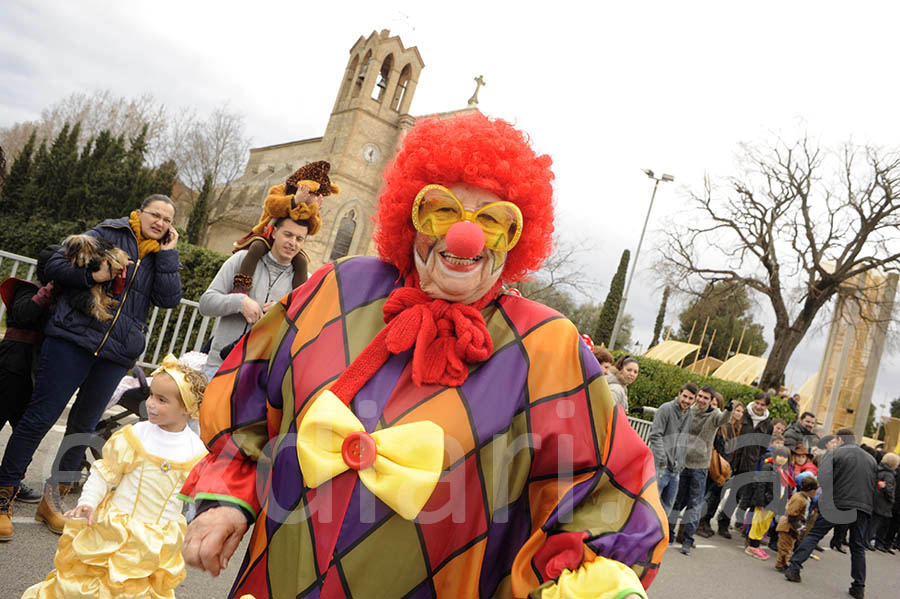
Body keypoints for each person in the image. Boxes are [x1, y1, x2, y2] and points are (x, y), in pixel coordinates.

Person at [179, 114, 664, 599]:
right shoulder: (338, 289)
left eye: (493, 220)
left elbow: (604, 488)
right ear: (410, 217)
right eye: (442, 210)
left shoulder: (544, 345)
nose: (464, 237)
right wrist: (231, 497)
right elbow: (246, 396)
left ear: (515, 237)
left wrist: (592, 585)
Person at [0, 194, 182, 541]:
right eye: (155, 215)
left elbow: (169, 299)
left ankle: (54, 500)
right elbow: (55, 265)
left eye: (167, 220)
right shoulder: (109, 232)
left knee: (83, 427)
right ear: (140, 213)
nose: (160, 223)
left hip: (116, 354)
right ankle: (3, 494)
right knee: (41, 416)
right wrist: (93, 274)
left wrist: (169, 255)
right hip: (72, 337)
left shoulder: (161, 255)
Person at [21, 354, 207, 598]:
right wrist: (88, 502)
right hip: (115, 530)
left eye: (162, 400)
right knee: (94, 583)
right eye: (151, 395)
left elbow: (197, 496)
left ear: (187, 408)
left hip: (157, 541)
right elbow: (104, 472)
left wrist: (201, 528)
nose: (151, 404)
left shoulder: (197, 451)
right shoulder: (136, 436)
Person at [200, 212, 312, 380]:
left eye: (299, 239)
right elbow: (206, 304)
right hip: (219, 366)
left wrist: (284, 314)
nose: (292, 243)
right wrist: (240, 301)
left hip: (262, 378)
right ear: (274, 232)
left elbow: (308, 330)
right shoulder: (240, 259)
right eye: (287, 234)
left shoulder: (307, 282)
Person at [784, 429, 877, 599]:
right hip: (862, 506)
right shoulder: (871, 459)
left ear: (840, 439)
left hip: (836, 502)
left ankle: (794, 567)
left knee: (815, 534)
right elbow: (873, 485)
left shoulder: (835, 454)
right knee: (858, 546)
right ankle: (859, 586)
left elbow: (824, 480)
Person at [0, 246, 58, 505]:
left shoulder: (62, 296)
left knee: (26, 428)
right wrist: (48, 291)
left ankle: (9, 480)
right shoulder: (29, 288)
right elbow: (23, 315)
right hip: (12, 362)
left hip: (38, 368)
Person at [229, 161, 338, 294]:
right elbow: (271, 206)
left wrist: (314, 209)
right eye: (314, 193)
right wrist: (294, 201)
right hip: (267, 234)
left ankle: (298, 299)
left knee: (302, 261)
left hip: (286, 242)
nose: (315, 197)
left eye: (318, 195)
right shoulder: (280, 190)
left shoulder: (312, 207)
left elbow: (313, 228)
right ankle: (241, 286)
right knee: (257, 247)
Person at [671, 385, 732, 554]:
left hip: (700, 467)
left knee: (694, 505)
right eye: (700, 396)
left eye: (706, 398)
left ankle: (687, 541)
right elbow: (669, 414)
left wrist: (729, 411)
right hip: (683, 463)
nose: (701, 400)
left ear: (711, 401)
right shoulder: (689, 410)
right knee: (676, 501)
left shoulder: (714, 415)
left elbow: (723, 419)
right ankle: (669, 534)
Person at [717, 392, 773, 539]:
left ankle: (723, 523)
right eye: (757, 403)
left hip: (749, 465)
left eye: (762, 404)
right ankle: (704, 520)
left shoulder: (768, 425)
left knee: (736, 496)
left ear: (767, 406)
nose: (759, 407)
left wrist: (754, 459)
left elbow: (763, 447)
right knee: (718, 490)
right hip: (732, 460)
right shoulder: (743, 415)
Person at [649, 383, 697, 527]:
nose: (687, 401)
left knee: (666, 508)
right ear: (679, 393)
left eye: (690, 398)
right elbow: (655, 435)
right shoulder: (666, 409)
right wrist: (662, 459)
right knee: (651, 505)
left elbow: (684, 439)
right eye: (685, 396)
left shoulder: (689, 413)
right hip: (660, 467)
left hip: (676, 470)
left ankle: (655, 539)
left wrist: (681, 463)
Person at [698, 398, 743, 538]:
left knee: (716, 496)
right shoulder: (724, 426)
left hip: (725, 467)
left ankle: (704, 522)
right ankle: (700, 522)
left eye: (742, 411)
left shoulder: (737, 428)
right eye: (737, 410)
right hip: (716, 463)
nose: (739, 413)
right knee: (709, 496)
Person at [744, 446, 791, 560]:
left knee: (765, 524)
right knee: (758, 523)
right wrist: (760, 501)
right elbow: (761, 485)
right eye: (780, 455)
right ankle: (752, 546)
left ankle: (757, 544)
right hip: (765, 500)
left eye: (785, 456)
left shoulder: (783, 470)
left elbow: (784, 489)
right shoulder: (768, 467)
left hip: (774, 502)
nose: (782, 458)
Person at [775, 475, 819, 572]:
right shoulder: (799, 499)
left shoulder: (804, 498)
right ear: (811, 490)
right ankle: (781, 564)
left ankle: (784, 562)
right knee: (785, 547)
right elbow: (792, 514)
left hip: (792, 526)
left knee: (789, 546)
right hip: (787, 526)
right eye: (816, 490)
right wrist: (799, 527)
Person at [869, 452, 898, 551]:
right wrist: (892, 499)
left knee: (872, 522)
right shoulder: (889, 474)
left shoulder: (879, 470)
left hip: (875, 499)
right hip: (883, 502)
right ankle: (867, 541)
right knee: (875, 523)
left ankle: (866, 540)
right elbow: (889, 489)